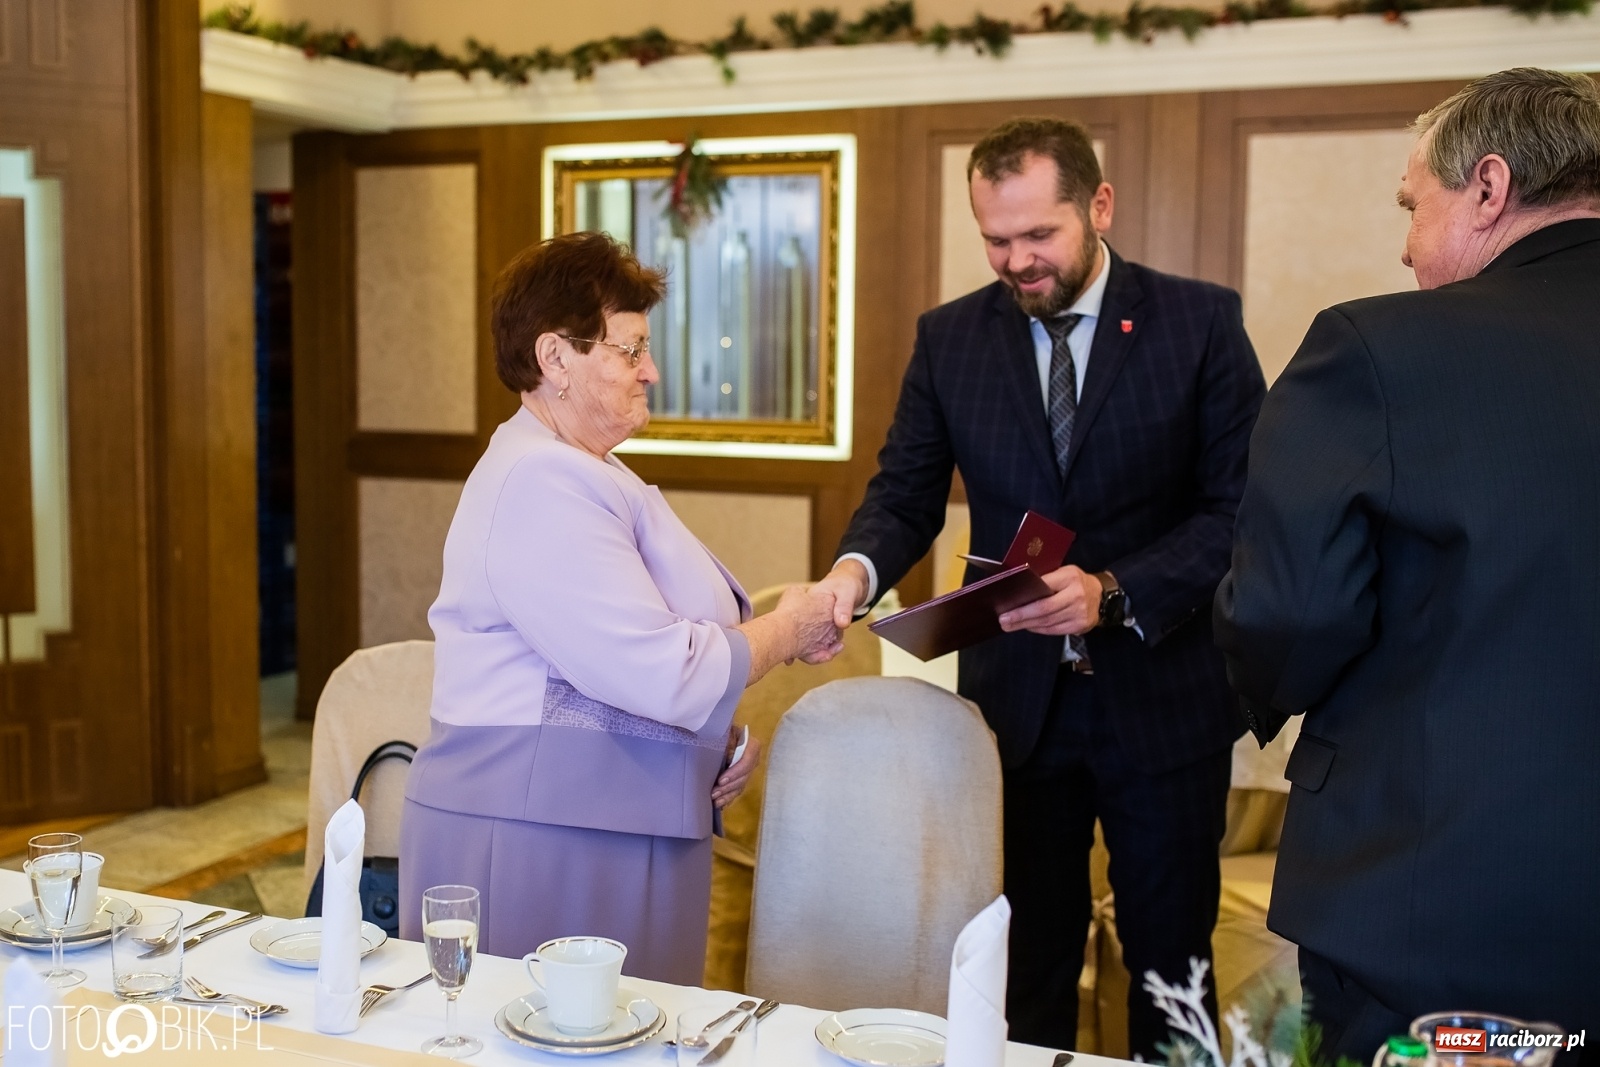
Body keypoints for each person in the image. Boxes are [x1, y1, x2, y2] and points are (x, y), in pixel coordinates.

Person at [811, 117, 1266, 1055]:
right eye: (995, 238)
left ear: (1099, 206)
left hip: (1163, 700)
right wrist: (850, 575)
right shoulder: (950, 339)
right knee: (1026, 963)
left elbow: (1238, 511)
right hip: (1022, 711)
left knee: (1170, 966)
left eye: (1038, 235)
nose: (1016, 260)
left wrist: (1114, 589)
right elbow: (905, 493)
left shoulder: (1199, 320)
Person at [1214, 68, 1600, 1058]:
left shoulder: (1376, 350)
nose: (1402, 240)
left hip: (1429, 893)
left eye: (1409, 202)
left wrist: (1253, 692)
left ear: (1487, 186)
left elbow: (1288, 611)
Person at [397, 231, 842, 984]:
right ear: (554, 358)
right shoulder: (538, 481)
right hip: (539, 836)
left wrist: (706, 740)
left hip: (602, 824)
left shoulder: (583, 470)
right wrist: (790, 629)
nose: (652, 370)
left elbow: (621, 662)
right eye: (630, 349)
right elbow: (663, 669)